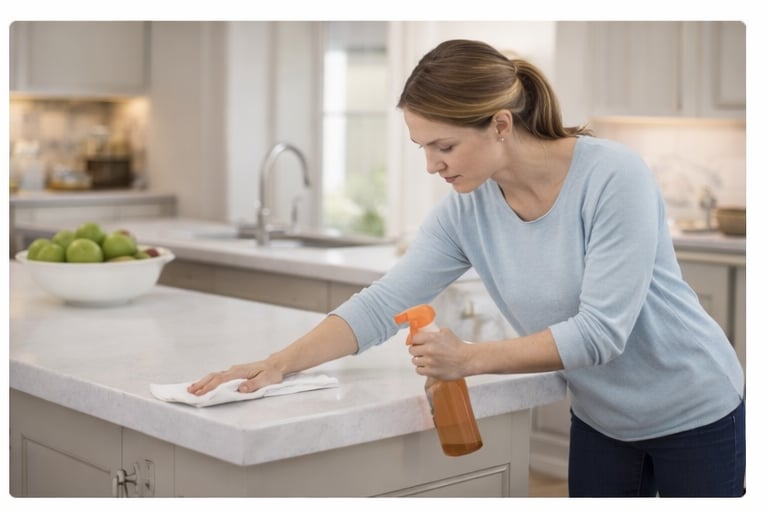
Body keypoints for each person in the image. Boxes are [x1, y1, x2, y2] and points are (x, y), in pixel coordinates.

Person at [189, 39, 745, 497]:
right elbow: (383, 303)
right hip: (603, 421)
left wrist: (468, 359)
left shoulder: (612, 177)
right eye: (422, 147)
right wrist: (279, 363)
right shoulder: (468, 209)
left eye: (444, 146)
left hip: (696, 412)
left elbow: (602, 333)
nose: (432, 165)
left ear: (501, 124)